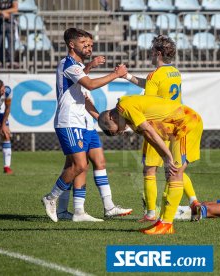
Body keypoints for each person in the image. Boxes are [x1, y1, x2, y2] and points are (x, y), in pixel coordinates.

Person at [41, 28, 127, 223]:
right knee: (79, 165)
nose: (89, 47)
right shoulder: (68, 63)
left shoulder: (76, 65)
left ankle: (72, 211)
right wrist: (116, 74)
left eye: (90, 44)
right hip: (69, 121)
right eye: (84, 44)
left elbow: (80, 83)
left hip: (79, 120)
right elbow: (90, 85)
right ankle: (51, 198)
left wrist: (89, 66)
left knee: (79, 165)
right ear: (72, 45)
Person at [98, 95, 203, 235]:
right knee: (171, 174)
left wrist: (167, 155)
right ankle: (163, 222)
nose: (119, 132)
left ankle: (166, 224)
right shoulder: (129, 117)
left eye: (114, 131)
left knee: (175, 173)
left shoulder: (124, 107)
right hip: (178, 128)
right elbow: (149, 136)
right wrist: (165, 157)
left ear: (112, 118)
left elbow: (148, 129)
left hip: (186, 123)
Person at [123, 35, 199, 223]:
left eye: (151, 52)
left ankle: (151, 213)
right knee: (175, 168)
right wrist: (128, 77)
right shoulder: (174, 72)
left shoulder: (154, 75)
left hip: (157, 127)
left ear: (157, 53)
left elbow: (147, 100)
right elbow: (151, 83)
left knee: (149, 170)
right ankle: (194, 201)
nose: (149, 55)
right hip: (175, 125)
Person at [0, 78, 13, 174]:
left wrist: (3, 124)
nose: (3, 90)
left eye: (3, 87)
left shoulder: (7, 91)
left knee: (6, 134)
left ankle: (7, 166)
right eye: (1, 90)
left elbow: (7, 108)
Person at [0, 0, 18, 68]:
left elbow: (15, 8)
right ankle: (2, 62)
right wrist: (1, 12)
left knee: (11, 42)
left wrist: (5, 12)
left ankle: (11, 62)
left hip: (10, 22)